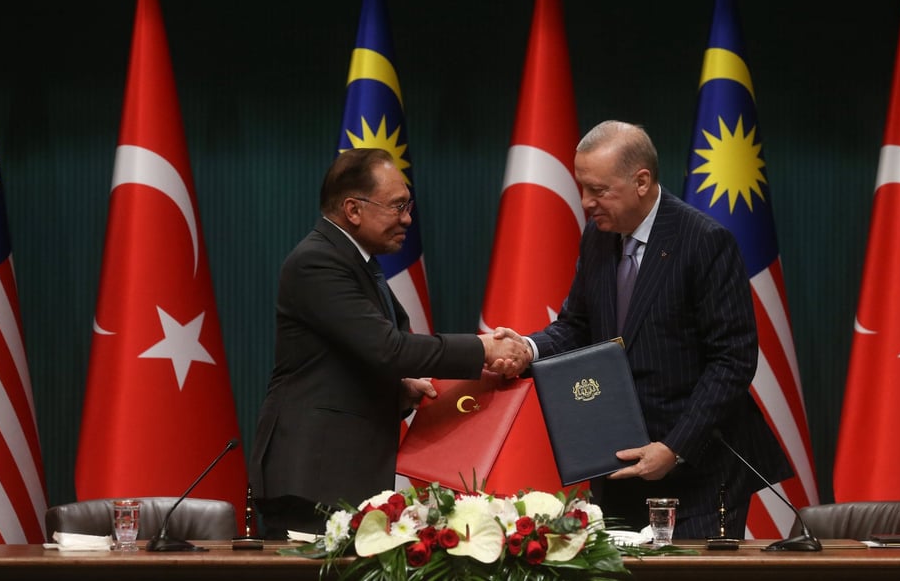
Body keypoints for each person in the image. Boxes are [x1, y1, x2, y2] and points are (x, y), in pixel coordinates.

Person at [501, 121, 791, 538]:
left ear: (642, 181)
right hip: (617, 469)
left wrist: (674, 449)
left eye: (598, 190)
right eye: (582, 187)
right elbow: (578, 327)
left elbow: (732, 360)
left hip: (698, 477)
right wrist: (527, 348)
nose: (585, 202)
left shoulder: (705, 242)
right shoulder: (598, 238)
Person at [249, 147, 529, 537]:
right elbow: (389, 348)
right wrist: (484, 348)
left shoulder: (356, 261)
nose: (407, 219)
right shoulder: (318, 262)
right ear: (353, 209)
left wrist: (398, 390)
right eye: (398, 206)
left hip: (338, 476)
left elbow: (353, 359)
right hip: (313, 476)